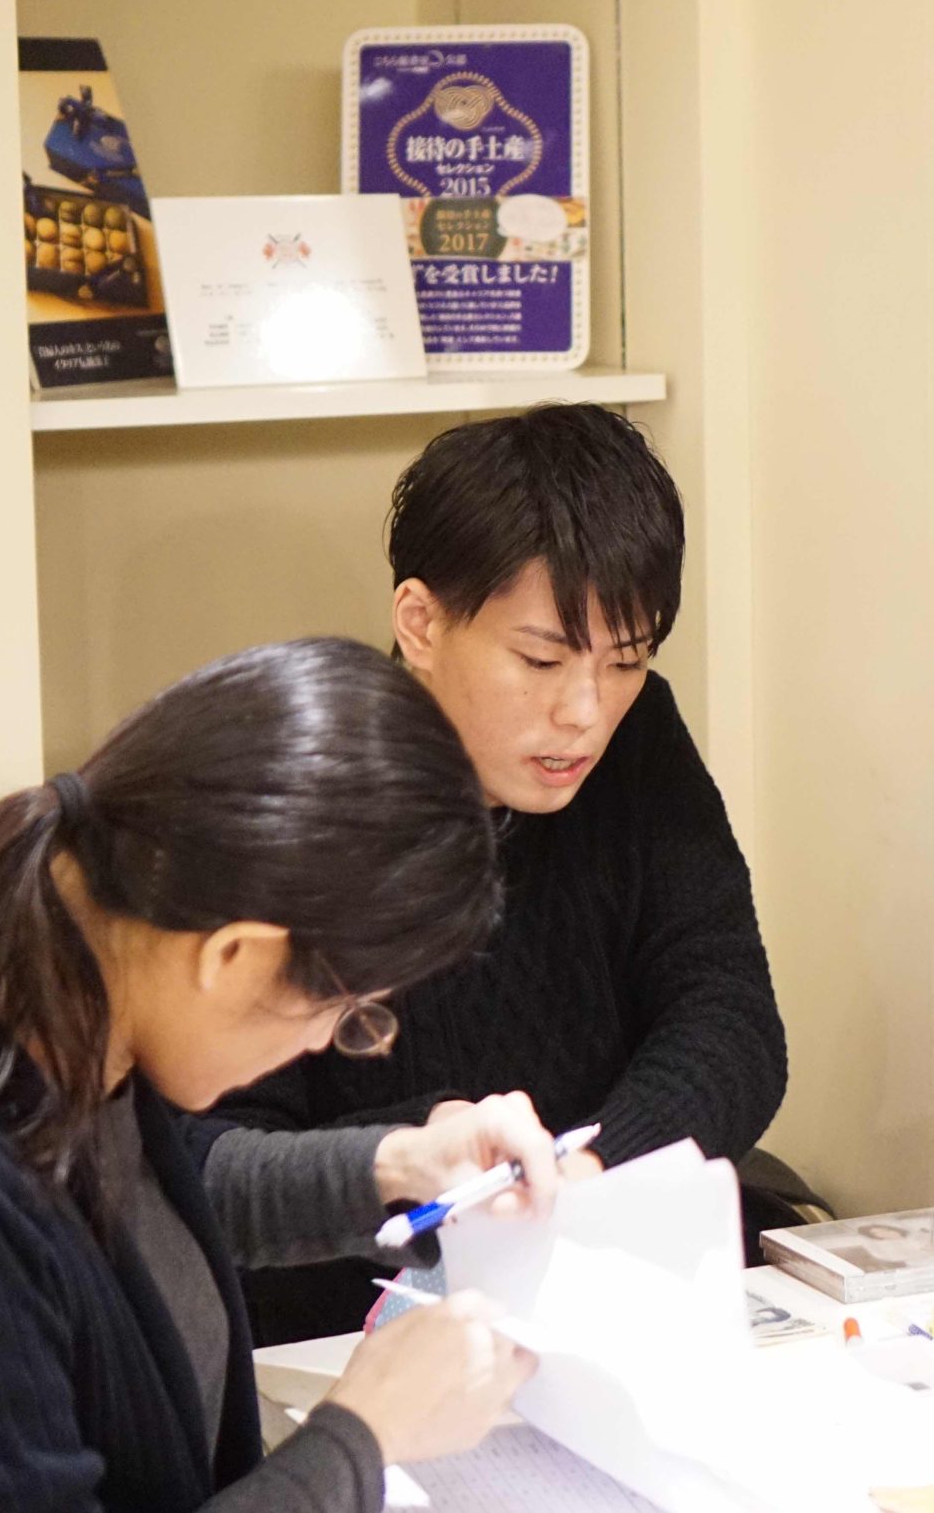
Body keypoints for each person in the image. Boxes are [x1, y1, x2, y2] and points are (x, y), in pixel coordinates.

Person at [0, 638, 580, 1513]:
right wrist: (363, 1432)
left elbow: (159, 1217)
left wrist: (405, 1166)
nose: (325, 1041)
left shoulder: (76, 1032)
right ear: (233, 955)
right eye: (345, 1011)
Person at [203, 405, 788, 1344]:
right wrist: (428, 1155)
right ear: (421, 622)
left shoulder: (637, 742)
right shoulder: (294, 796)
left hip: (597, 1286)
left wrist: (586, 1180)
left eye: (626, 659)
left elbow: (731, 1019)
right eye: (541, 658)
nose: (585, 711)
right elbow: (214, 1157)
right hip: (346, 1327)